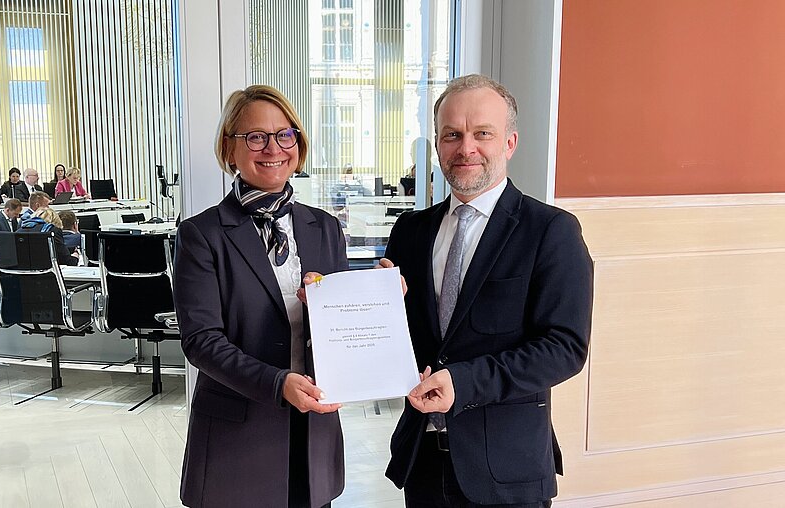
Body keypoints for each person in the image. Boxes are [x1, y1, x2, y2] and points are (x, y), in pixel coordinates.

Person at [380, 74, 594, 507]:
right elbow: (401, 340)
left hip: (507, 470)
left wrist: (463, 382)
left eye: (482, 133)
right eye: (452, 135)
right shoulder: (410, 230)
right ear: (438, 145)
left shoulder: (551, 230)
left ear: (510, 143)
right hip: (422, 463)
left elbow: (564, 347)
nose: (466, 148)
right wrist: (372, 306)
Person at [174, 84, 348, 508]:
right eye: (255, 136)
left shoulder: (325, 227)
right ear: (229, 148)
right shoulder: (201, 234)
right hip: (239, 442)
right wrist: (277, 383)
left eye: (284, 134)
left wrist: (379, 299)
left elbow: (342, 329)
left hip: (314, 437)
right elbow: (201, 341)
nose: (273, 148)